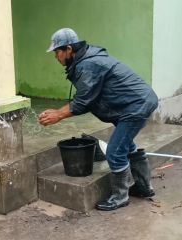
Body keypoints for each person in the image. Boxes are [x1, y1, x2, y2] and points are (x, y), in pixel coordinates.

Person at [39, 28, 158, 211]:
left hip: (134, 106)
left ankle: (120, 197)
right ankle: (144, 187)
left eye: (57, 52)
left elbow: (84, 100)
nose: (56, 57)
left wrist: (58, 114)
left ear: (69, 49)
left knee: (114, 152)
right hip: (132, 103)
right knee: (126, 146)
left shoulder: (88, 64)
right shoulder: (88, 58)